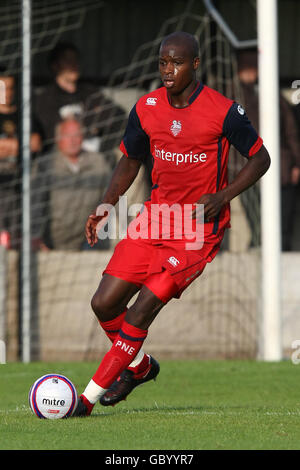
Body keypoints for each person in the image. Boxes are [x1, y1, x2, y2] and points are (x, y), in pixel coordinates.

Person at [72, 31, 270, 417]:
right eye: (163, 62)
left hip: (197, 233)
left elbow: (260, 159)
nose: (168, 70)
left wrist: (223, 196)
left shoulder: (224, 110)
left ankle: (84, 401)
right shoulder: (145, 108)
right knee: (104, 303)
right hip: (155, 221)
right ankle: (140, 367)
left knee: (142, 307)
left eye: (176, 62)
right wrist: (106, 203)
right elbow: (130, 160)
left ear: (195, 65)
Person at [236, 49, 300, 250]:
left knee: (283, 221)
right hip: (246, 167)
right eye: (247, 69)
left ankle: (281, 252)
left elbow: (290, 131)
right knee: (258, 223)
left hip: (280, 167)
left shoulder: (273, 95)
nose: (251, 73)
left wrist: (296, 163)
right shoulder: (233, 95)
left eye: (254, 68)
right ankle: (258, 246)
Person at [33, 42, 127, 164]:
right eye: (68, 60)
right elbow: (51, 132)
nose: (74, 64)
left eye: (75, 59)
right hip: (62, 157)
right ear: (55, 65)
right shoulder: (46, 98)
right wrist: (93, 123)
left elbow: (117, 115)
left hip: (99, 153)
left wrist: (76, 123)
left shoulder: (89, 92)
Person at [31, 117, 111, 251]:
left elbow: (112, 199)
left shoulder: (98, 163)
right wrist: (35, 236)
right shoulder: (44, 165)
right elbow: (35, 205)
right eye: (67, 136)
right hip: (53, 244)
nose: (73, 141)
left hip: (88, 242)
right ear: (58, 139)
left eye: (77, 135)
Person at [0, 70, 42, 249]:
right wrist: (19, 145)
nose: (7, 93)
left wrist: (4, 145)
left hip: (20, 178)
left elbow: (35, 143)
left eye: (10, 88)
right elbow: (26, 144)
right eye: (3, 88)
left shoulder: (24, 115)